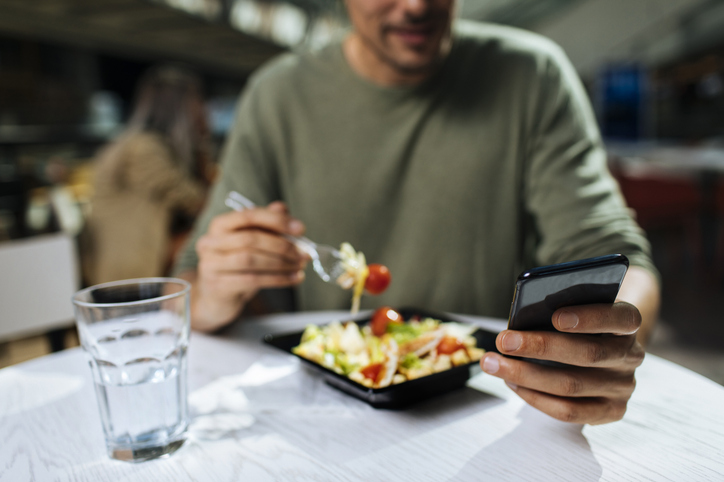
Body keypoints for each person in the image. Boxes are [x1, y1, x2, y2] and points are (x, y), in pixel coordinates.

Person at [174, 0, 660, 425]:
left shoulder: (533, 75)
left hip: (490, 402)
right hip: (324, 415)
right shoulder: (275, 96)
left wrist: (605, 346)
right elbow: (190, 280)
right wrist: (215, 291)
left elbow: (616, 256)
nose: (415, 5)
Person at [86, 65, 214, 285]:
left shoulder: (138, 143)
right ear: (179, 106)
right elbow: (200, 202)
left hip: (132, 264)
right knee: (213, 246)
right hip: (130, 271)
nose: (204, 110)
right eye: (199, 102)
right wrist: (202, 141)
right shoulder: (143, 148)